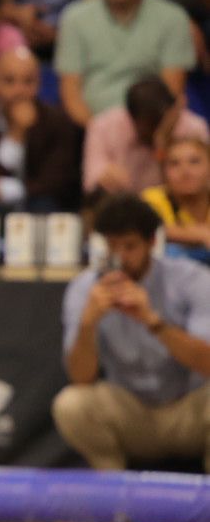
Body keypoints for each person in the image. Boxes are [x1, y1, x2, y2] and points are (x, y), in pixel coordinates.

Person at [55, 195, 210, 471]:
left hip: (189, 408)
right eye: (112, 246)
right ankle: (115, 501)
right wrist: (88, 324)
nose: (121, 258)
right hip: (131, 413)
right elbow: (80, 377)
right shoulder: (84, 289)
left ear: (152, 243)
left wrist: (153, 322)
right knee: (71, 405)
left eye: (130, 246)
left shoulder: (191, 279)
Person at [56, 0, 195, 126]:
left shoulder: (174, 18)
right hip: (91, 130)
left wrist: (141, 134)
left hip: (152, 128)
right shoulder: (74, 17)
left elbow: (171, 90)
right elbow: (70, 93)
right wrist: (100, 133)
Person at [0, 47, 84, 213]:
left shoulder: (57, 122)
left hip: (40, 207)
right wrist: (16, 134)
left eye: (28, 81)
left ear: (39, 83)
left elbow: (57, 183)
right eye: (9, 81)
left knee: (44, 206)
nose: (19, 90)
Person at [82, 75, 210, 197]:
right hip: (125, 207)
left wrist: (162, 144)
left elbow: (205, 182)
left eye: (160, 122)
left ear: (171, 113)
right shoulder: (103, 126)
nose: (156, 130)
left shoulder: (193, 127)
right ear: (131, 118)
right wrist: (104, 178)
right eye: (150, 125)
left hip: (178, 207)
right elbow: (91, 183)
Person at [143, 137, 210, 246]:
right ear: (163, 171)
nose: (185, 171)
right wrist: (202, 234)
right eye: (174, 164)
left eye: (194, 162)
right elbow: (151, 229)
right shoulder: (152, 198)